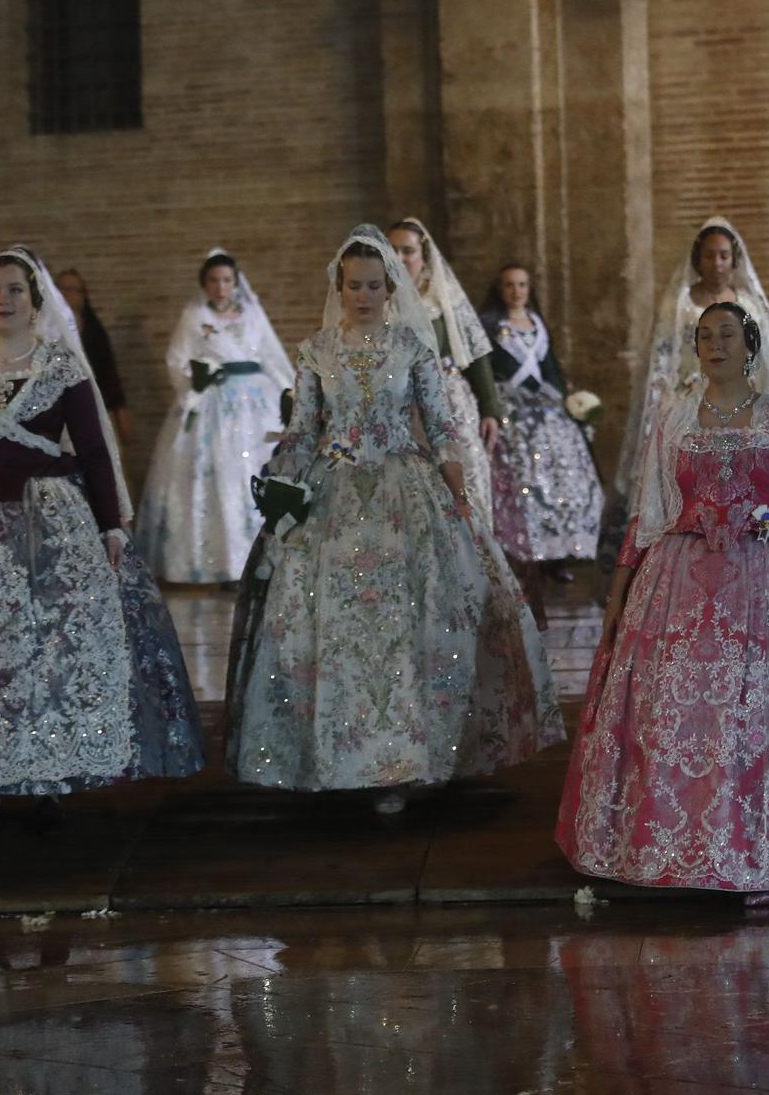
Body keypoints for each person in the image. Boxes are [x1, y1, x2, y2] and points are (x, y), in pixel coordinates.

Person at [558, 302, 769, 908]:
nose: (714, 344)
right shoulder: (673, 418)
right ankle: (672, 846)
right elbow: (647, 515)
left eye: (726, 334)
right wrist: (617, 596)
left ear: (750, 343)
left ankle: (761, 849)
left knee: (760, 712)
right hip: (681, 576)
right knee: (681, 711)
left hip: (766, 575)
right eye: (704, 336)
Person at [223, 226, 562, 811]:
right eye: (354, 285)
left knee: (410, 629)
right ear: (339, 286)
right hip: (333, 494)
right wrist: (285, 484)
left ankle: (405, 758)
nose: (363, 295)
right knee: (333, 630)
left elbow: (441, 425)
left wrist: (459, 497)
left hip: (404, 488)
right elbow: (304, 429)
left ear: (390, 287)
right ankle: (336, 754)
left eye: (374, 285)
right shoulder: (316, 351)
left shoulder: (413, 347)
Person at [0, 247, 205, 828]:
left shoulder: (61, 366)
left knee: (51, 643)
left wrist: (111, 522)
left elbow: (95, 450)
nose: (3, 300)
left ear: (36, 300)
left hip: (50, 521)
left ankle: (50, 766)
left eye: (15, 290)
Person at [601, 218, 769, 573]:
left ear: (734, 260)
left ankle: (745, 539)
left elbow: (766, 358)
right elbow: (664, 356)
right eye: (709, 256)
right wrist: (664, 403)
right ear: (698, 260)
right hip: (692, 402)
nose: (717, 263)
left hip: (740, 401)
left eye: (724, 256)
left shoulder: (748, 303)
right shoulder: (680, 304)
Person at [135, 249, 295, 583]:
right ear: (204, 284)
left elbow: (271, 355)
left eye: (227, 280)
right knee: (218, 473)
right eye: (214, 281)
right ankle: (221, 562)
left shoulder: (251, 314)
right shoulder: (194, 316)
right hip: (214, 405)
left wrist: (289, 395)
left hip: (255, 404)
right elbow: (177, 359)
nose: (221, 287)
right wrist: (196, 378)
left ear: (236, 283)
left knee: (256, 468)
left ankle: (266, 556)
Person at [479, 264, 605, 607]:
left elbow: (551, 369)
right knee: (524, 480)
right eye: (509, 285)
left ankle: (560, 554)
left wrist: (569, 403)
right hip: (514, 413)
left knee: (563, 476)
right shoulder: (491, 326)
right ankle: (526, 551)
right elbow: (486, 369)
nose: (516, 291)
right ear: (500, 289)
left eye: (522, 285)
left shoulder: (538, 325)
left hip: (548, 411)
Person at [386, 218, 500, 519]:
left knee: (463, 476)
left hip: (449, 399)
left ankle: (475, 554)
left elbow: (475, 355)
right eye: (392, 250)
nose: (400, 258)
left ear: (422, 253)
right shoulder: (377, 297)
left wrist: (490, 408)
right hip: (399, 405)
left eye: (407, 250)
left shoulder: (442, 296)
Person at [57, 268, 131, 446]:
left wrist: (120, 412)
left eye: (73, 289)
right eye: (62, 289)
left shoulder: (94, 331)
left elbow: (108, 372)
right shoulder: (47, 330)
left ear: (82, 295)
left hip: (95, 405)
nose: (67, 294)